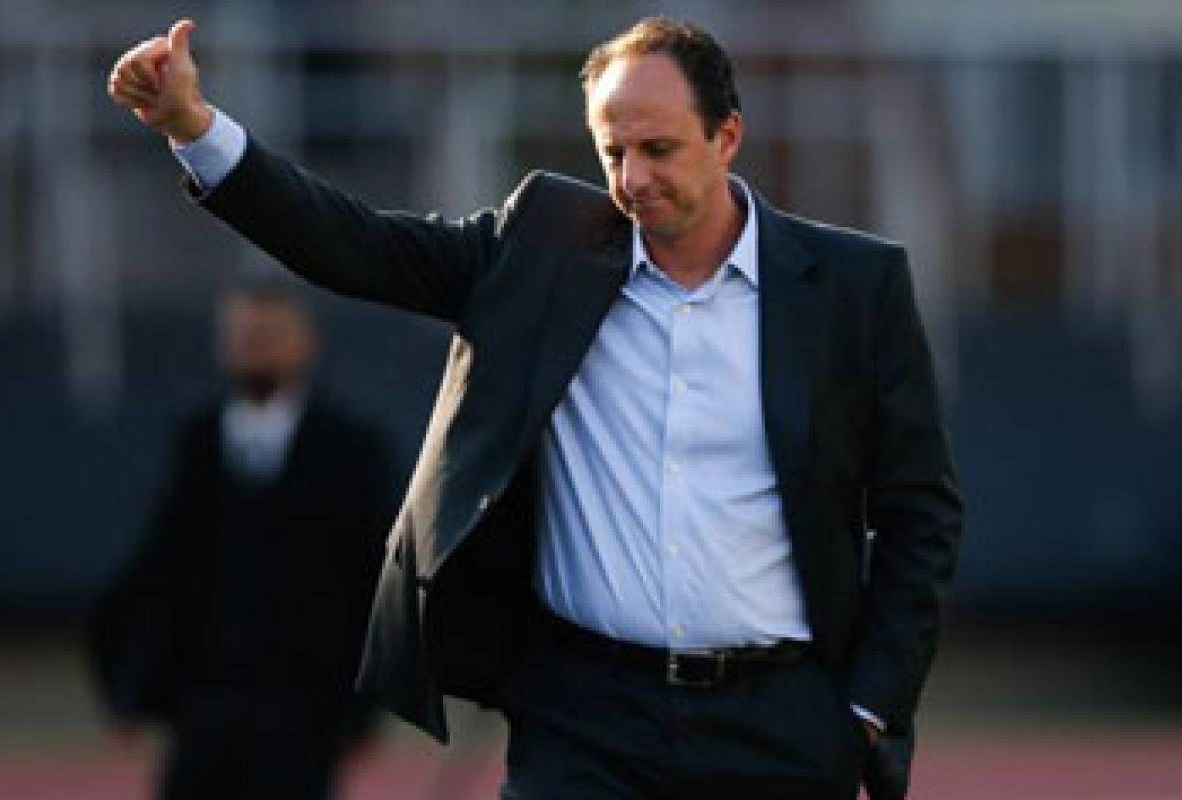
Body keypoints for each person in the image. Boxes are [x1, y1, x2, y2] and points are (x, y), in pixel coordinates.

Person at [107, 16, 963, 800]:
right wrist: (194, 128)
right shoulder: (543, 251)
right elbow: (355, 245)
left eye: (659, 149)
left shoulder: (853, 287)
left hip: (779, 726)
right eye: (612, 151)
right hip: (584, 722)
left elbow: (919, 511)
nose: (633, 179)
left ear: (727, 136)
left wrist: (868, 707)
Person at [89, 280, 389, 799]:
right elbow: (162, 574)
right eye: (244, 337)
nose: (254, 348)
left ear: (306, 344)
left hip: (302, 712)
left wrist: (362, 709)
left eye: (268, 336)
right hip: (203, 706)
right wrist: (131, 686)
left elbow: (371, 582)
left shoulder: (349, 449)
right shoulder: (196, 443)